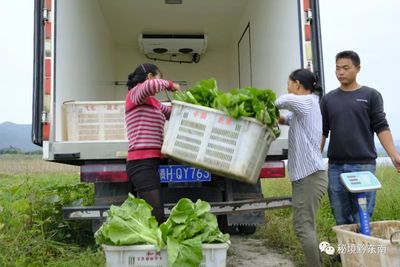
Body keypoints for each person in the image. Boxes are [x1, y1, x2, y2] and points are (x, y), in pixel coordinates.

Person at [320, 50, 400, 226]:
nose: (340, 72)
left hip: (363, 165)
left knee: (362, 216)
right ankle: (346, 253)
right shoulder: (328, 99)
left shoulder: (370, 95)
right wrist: (314, 157)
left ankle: (362, 252)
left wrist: (394, 155)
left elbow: (381, 126)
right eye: (337, 68)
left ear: (358, 68)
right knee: (340, 216)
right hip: (335, 167)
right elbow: (322, 131)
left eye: (346, 68)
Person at [275, 69, 327, 267]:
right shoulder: (305, 108)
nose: (287, 87)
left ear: (297, 84)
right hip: (307, 177)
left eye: (289, 83)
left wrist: (260, 102)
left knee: (302, 227)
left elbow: (280, 101)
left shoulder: (307, 102)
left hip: (310, 177)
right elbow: (285, 119)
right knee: (307, 226)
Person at [125, 63, 180, 224]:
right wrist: (172, 85)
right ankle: (153, 247)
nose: (160, 82)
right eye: (158, 77)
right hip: (140, 164)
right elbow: (151, 86)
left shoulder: (154, 103)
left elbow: (172, 114)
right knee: (156, 213)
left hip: (153, 162)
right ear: (149, 76)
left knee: (157, 212)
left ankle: (154, 246)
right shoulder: (134, 95)